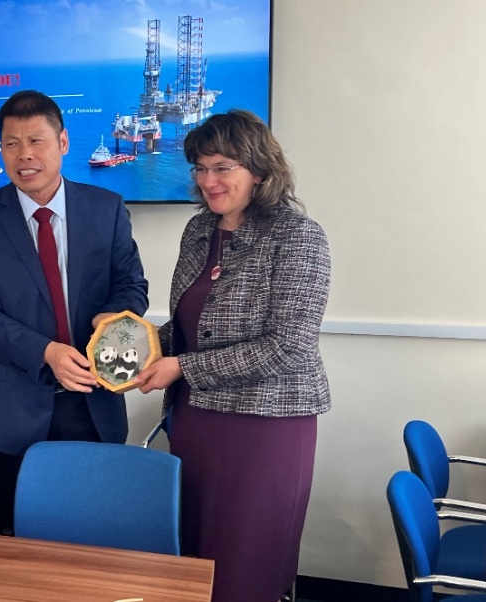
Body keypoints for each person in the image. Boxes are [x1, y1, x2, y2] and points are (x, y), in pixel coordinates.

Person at [136, 110, 331, 602]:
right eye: (200, 168)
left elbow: (289, 346)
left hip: (265, 427)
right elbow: (190, 325)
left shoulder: (298, 235)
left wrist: (182, 367)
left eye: (223, 167)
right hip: (196, 419)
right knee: (195, 558)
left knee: (246, 564)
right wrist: (134, 343)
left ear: (260, 170)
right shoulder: (199, 230)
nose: (209, 181)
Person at [0, 90, 148, 535]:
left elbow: (131, 285)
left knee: (95, 532)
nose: (24, 154)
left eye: (36, 141)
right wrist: (47, 353)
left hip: (93, 398)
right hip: (16, 405)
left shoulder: (105, 208)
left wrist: (110, 317)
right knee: (18, 536)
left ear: (62, 142)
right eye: (11, 143)